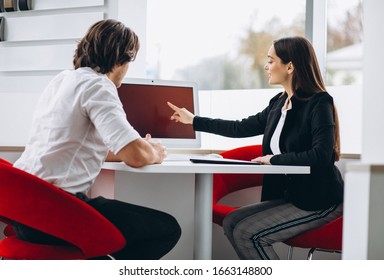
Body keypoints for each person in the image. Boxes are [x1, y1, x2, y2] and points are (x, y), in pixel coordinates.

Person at [13, 19, 181, 260]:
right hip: (53, 212)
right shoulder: (99, 86)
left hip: (24, 211)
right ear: (122, 58)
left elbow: (77, 145)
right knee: (165, 229)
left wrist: (137, 149)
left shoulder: (62, 80)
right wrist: (153, 151)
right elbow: (135, 156)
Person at [168, 36, 343, 260]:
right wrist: (194, 121)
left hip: (320, 201)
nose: (266, 66)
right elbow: (239, 128)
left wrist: (273, 160)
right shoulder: (277, 104)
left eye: (271, 60)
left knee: (246, 233)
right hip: (293, 197)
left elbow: (321, 155)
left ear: (290, 66)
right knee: (232, 221)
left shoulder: (319, 102)